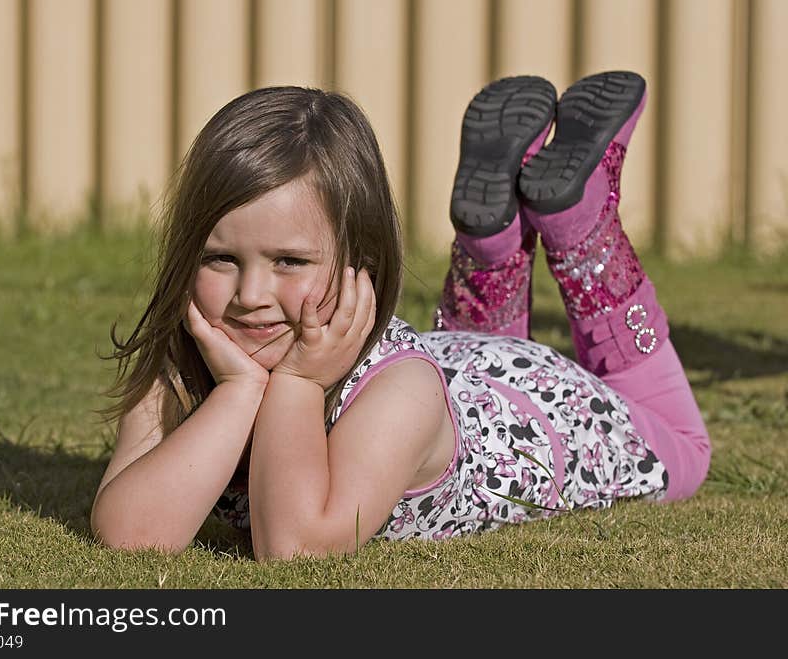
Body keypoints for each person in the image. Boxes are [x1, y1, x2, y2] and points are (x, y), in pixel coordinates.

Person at [91, 72, 711, 560]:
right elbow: (130, 533)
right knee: (466, 344)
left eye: (289, 259)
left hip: (545, 410)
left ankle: (583, 225)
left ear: (361, 261)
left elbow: (295, 547)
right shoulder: (185, 361)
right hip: (458, 360)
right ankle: (490, 245)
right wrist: (237, 391)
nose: (251, 293)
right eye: (220, 257)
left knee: (687, 450)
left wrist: (298, 383)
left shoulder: (400, 396)